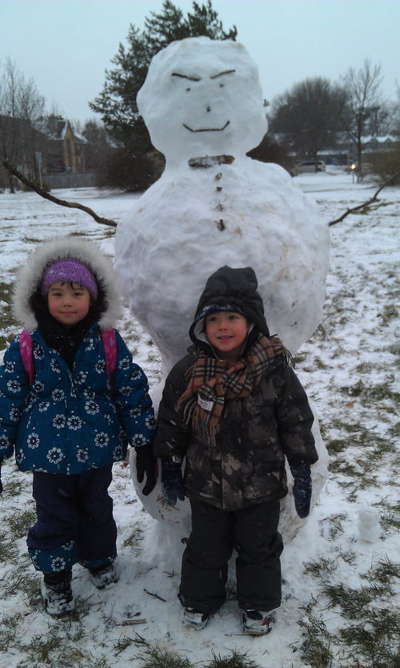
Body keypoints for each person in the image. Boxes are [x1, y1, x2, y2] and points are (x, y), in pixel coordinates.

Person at [154, 266, 318, 635]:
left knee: (259, 548)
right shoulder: (189, 371)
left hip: (261, 485)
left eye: (232, 317)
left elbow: (295, 420)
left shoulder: (274, 370)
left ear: (252, 322)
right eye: (213, 319)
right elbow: (173, 420)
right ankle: (199, 599)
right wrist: (169, 461)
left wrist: (302, 467)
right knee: (204, 547)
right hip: (205, 483)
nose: (223, 327)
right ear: (201, 326)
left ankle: (258, 606)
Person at [0, 238, 156, 617]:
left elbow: (129, 388)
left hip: (97, 449)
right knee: (53, 516)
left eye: (76, 292)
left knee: (97, 509)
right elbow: (8, 397)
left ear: (94, 298)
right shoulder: (26, 345)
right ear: (42, 298)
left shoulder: (106, 342)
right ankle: (56, 579)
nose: (67, 301)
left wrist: (144, 438)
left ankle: (98, 558)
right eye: (57, 293)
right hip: (46, 456)